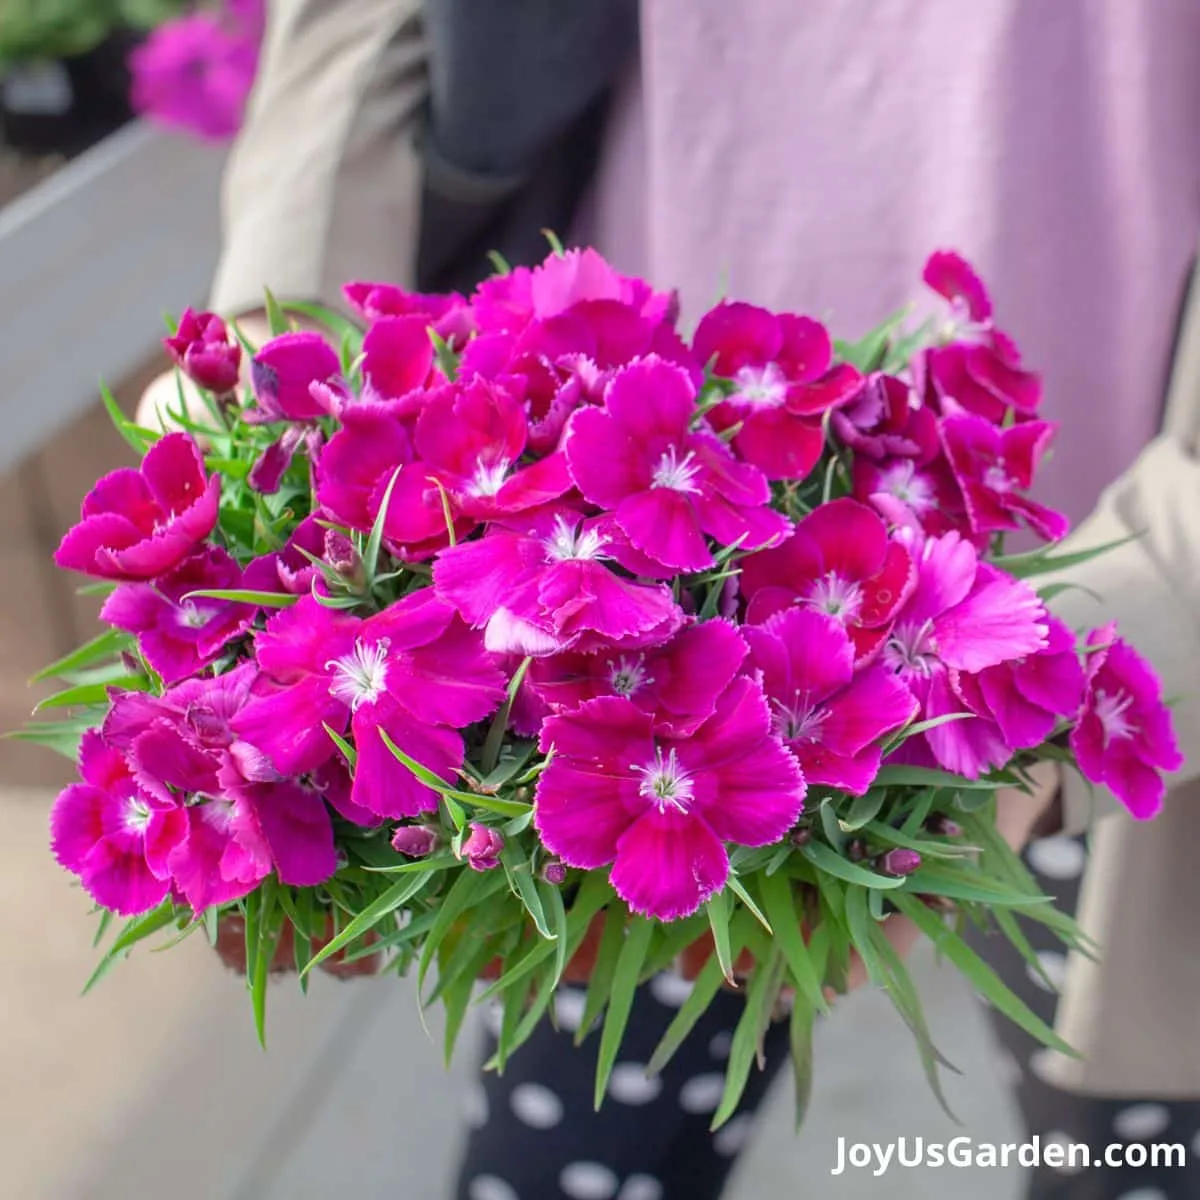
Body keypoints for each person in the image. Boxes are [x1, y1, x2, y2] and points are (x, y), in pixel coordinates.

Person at [138, 3, 1200, 1197]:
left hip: (1093, 569)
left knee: (1136, 1141)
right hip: (598, 538)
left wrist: (1131, 613)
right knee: (572, 1145)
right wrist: (271, 377)